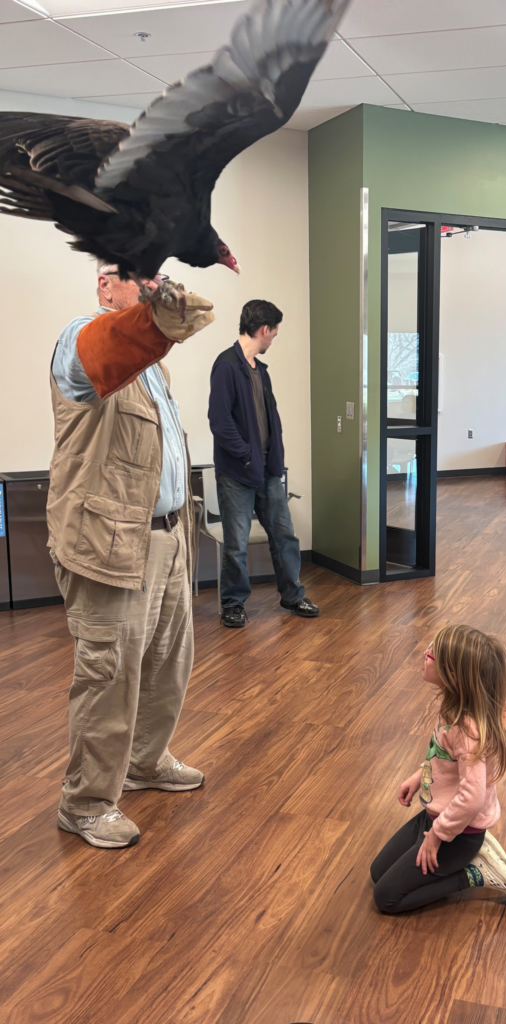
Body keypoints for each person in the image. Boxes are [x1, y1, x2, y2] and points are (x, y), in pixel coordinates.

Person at [50, 265, 215, 849]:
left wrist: (163, 301)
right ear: (103, 286)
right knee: (109, 675)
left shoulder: (155, 368)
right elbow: (92, 359)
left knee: (169, 661)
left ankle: (145, 761)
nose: (147, 289)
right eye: (129, 277)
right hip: (109, 544)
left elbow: (191, 314)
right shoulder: (80, 343)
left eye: (152, 278)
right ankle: (87, 801)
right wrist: (150, 315)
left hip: (169, 536)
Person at [370, 625, 506, 913]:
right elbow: (443, 757)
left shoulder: (469, 731)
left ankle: (474, 873)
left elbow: (472, 797)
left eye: (432, 654)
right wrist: (420, 775)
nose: (425, 654)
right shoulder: (454, 705)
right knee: (377, 872)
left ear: (452, 675)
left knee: (387, 898)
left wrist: (438, 836)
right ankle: (453, 845)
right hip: (435, 816)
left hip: (456, 836)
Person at [208, 299, 318, 628]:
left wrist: (273, 463)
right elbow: (219, 420)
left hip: (268, 472)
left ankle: (293, 595)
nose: (274, 340)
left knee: (284, 536)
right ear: (264, 329)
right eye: (274, 333)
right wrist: (245, 454)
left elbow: (269, 422)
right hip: (237, 474)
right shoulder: (226, 365)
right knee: (236, 544)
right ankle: (233, 604)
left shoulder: (261, 371)